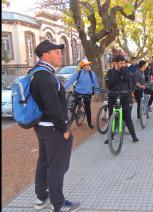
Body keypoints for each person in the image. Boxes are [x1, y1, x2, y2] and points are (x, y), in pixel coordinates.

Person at [30, 40, 80, 211]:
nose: (60, 55)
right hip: (53, 128)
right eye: (56, 52)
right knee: (57, 166)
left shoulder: (36, 73)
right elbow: (53, 108)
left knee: (44, 162)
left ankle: (41, 197)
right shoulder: (46, 76)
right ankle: (58, 204)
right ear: (45, 55)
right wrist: (64, 129)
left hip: (42, 127)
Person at [106, 55, 138, 143]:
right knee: (112, 117)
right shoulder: (110, 72)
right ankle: (110, 136)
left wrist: (122, 70)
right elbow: (110, 83)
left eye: (124, 63)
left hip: (125, 97)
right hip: (113, 97)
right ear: (115, 63)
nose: (123, 65)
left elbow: (128, 79)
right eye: (121, 63)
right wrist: (117, 71)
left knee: (127, 117)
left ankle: (134, 136)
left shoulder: (126, 71)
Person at [64, 59, 100, 129]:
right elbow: (70, 81)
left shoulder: (92, 73)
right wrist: (63, 88)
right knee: (73, 105)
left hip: (87, 93)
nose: (88, 66)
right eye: (86, 65)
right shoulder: (78, 73)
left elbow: (96, 84)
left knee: (87, 108)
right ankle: (72, 117)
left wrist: (97, 92)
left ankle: (89, 123)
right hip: (78, 92)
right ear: (82, 66)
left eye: (88, 65)